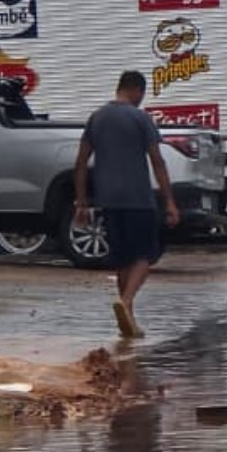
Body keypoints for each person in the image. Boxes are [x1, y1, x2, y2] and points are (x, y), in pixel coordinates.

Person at [73, 70, 179, 339]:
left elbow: (81, 163)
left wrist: (82, 202)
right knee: (146, 254)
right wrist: (169, 201)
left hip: (107, 200)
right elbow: (158, 161)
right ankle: (127, 301)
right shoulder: (140, 118)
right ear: (138, 91)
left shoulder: (96, 118)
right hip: (138, 198)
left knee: (122, 259)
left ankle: (128, 321)